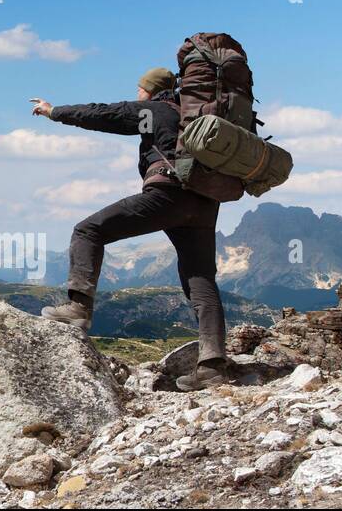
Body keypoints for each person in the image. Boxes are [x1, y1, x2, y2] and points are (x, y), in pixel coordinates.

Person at [32, 66, 233, 390]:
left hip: (168, 195)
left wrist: (55, 112)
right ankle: (212, 367)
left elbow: (105, 115)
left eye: (141, 88)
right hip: (204, 205)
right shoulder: (193, 117)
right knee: (201, 281)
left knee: (88, 231)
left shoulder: (154, 110)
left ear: (151, 90)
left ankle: (78, 309)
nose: (138, 93)